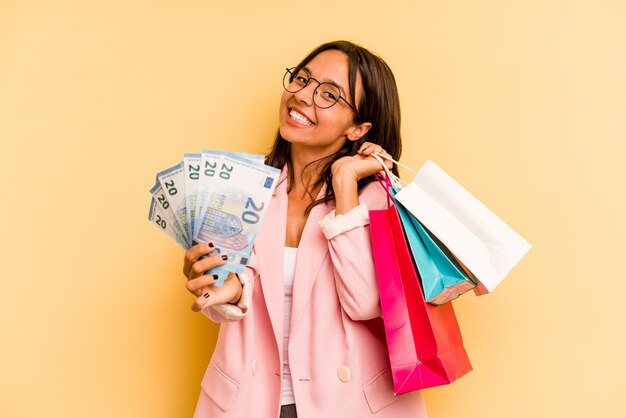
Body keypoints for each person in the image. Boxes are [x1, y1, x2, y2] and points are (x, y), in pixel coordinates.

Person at [182, 40, 428, 418]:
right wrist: (224, 289)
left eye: (329, 94)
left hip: (349, 405)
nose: (303, 96)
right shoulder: (241, 186)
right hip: (248, 401)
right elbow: (233, 284)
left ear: (359, 128)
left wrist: (345, 184)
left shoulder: (381, 199)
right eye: (302, 79)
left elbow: (364, 302)